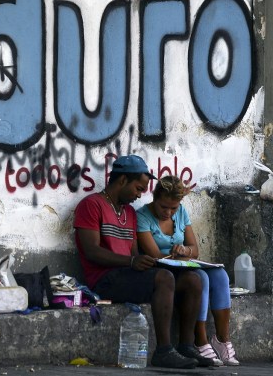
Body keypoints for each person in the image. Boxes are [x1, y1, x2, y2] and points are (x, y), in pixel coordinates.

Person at [73, 155, 213, 369]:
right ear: (122, 181)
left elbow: (134, 252)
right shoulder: (91, 205)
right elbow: (91, 251)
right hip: (104, 280)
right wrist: (131, 262)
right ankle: (164, 351)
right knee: (164, 278)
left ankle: (186, 346)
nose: (140, 194)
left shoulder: (128, 212)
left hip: (127, 274)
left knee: (192, 280)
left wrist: (145, 261)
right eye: (138, 188)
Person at [136, 175, 239, 366]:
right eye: (163, 207)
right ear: (154, 199)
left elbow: (194, 248)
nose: (168, 212)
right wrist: (180, 256)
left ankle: (222, 339)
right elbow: (156, 255)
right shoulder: (142, 216)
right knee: (200, 278)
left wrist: (184, 250)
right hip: (164, 270)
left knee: (220, 275)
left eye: (173, 208)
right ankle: (199, 341)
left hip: (182, 264)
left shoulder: (181, 212)